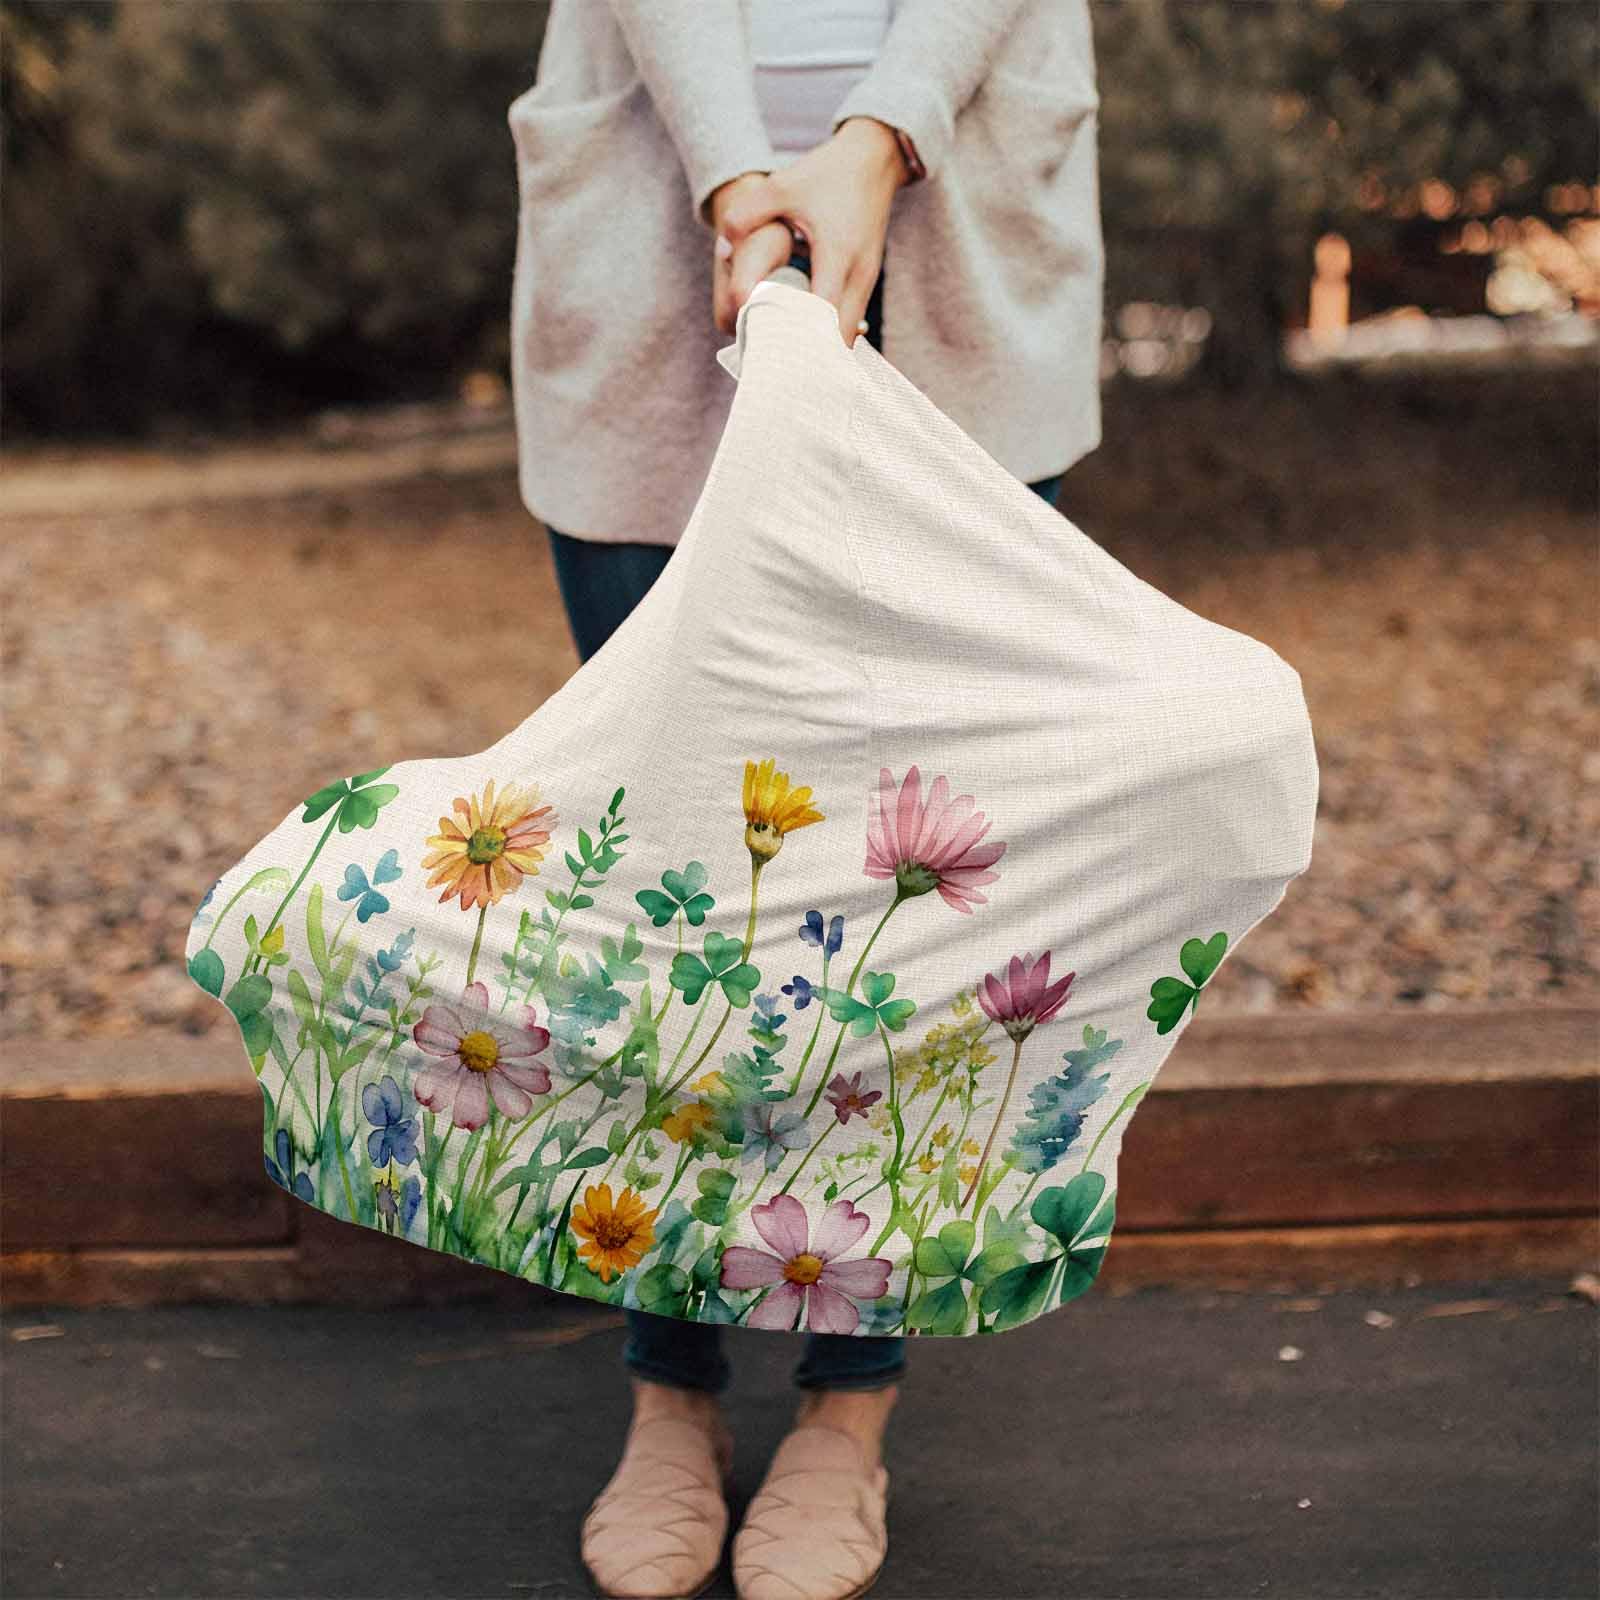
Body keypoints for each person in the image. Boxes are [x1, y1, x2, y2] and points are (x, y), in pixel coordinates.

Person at [506, 4, 1104, 1595]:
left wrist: (877, 136)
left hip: (959, 220)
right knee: (673, 880)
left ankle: (848, 1407)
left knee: (908, 889)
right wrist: (734, 176)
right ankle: (671, 1387)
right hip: (656, 218)